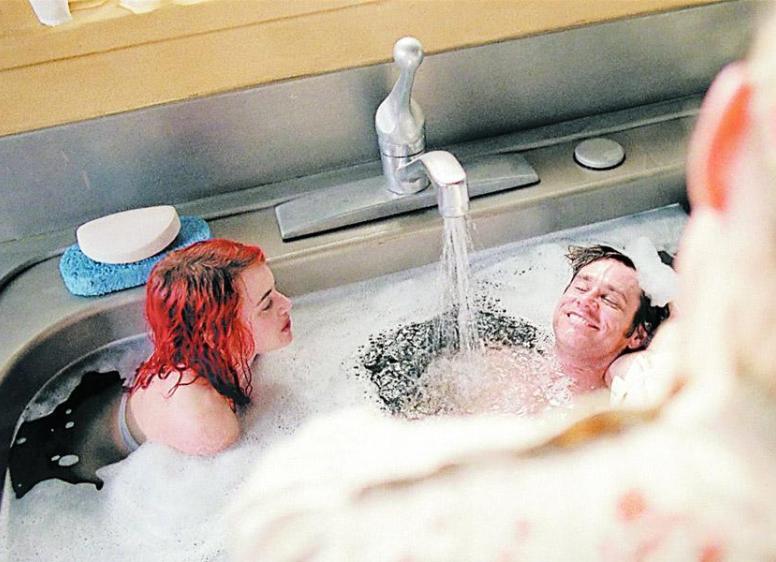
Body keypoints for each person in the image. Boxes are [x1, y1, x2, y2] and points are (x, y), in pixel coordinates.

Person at [227, 9, 776, 560]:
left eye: (610, 299)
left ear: (722, 136)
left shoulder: (631, 401)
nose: (588, 299)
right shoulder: (493, 364)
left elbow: (282, 514)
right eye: (582, 285)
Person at [122, 238, 293, 455]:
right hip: (111, 448)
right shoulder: (210, 424)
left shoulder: (208, 341)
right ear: (215, 333)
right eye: (267, 304)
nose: (287, 303)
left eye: (275, 290)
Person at [551, 244, 672, 393]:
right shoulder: (524, 344)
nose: (585, 301)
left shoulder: (634, 391)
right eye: (581, 288)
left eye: (609, 300)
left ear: (638, 336)